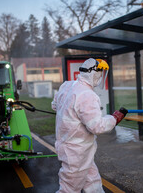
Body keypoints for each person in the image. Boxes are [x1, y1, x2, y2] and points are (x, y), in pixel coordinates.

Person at [51, 58, 127, 193]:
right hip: (77, 152)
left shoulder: (67, 85)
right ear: (94, 73)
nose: (101, 76)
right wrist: (114, 119)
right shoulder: (87, 95)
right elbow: (96, 126)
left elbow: (54, 105)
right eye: (100, 73)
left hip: (75, 148)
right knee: (68, 189)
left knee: (93, 183)